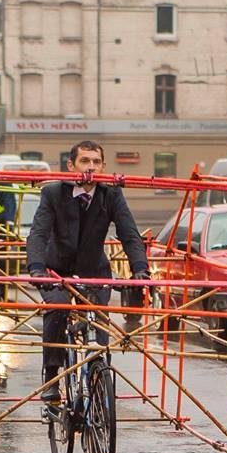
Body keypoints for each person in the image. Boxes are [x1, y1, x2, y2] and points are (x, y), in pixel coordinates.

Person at [25, 140, 150, 403]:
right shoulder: (53, 193)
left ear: (103, 166)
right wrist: (37, 270)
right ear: (71, 165)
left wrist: (140, 270)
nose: (91, 167)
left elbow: (129, 234)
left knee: (98, 321)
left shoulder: (111, 194)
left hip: (94, 270)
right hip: (56, 271)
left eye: (96, 162)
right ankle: (52, 374)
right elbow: (38, 234)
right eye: (85, 161)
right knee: (57, 310)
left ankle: (96, 376)